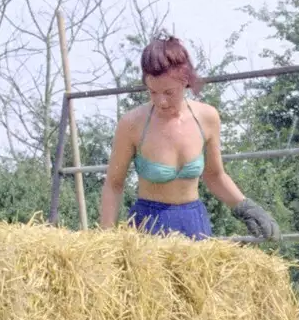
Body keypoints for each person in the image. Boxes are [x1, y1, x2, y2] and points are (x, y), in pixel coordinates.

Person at [99, 35, 280, 242]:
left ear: (185, 81)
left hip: (194, 224)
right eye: (153, 92)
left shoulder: (207, 117)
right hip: (148, 229)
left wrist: (247, 207)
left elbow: (215, 175)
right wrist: (107, 240)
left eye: (169, 92)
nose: (162, 101)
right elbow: (114, 184)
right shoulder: (131, 123)